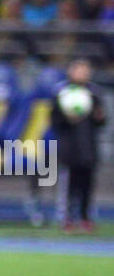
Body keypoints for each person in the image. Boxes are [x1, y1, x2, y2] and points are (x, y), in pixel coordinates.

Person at [52, 59, 105, 232]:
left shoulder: (94, 93)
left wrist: (99, 117)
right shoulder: (62, 92)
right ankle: (67, 218)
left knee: (87, 186)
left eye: (85, 70)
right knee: (69, 185)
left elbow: (102, 121)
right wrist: (67, 119)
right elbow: (54, 120)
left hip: (88, 147)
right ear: (71, 71)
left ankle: (85, 217)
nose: (83, 73)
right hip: (69, 148)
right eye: (79, 70)